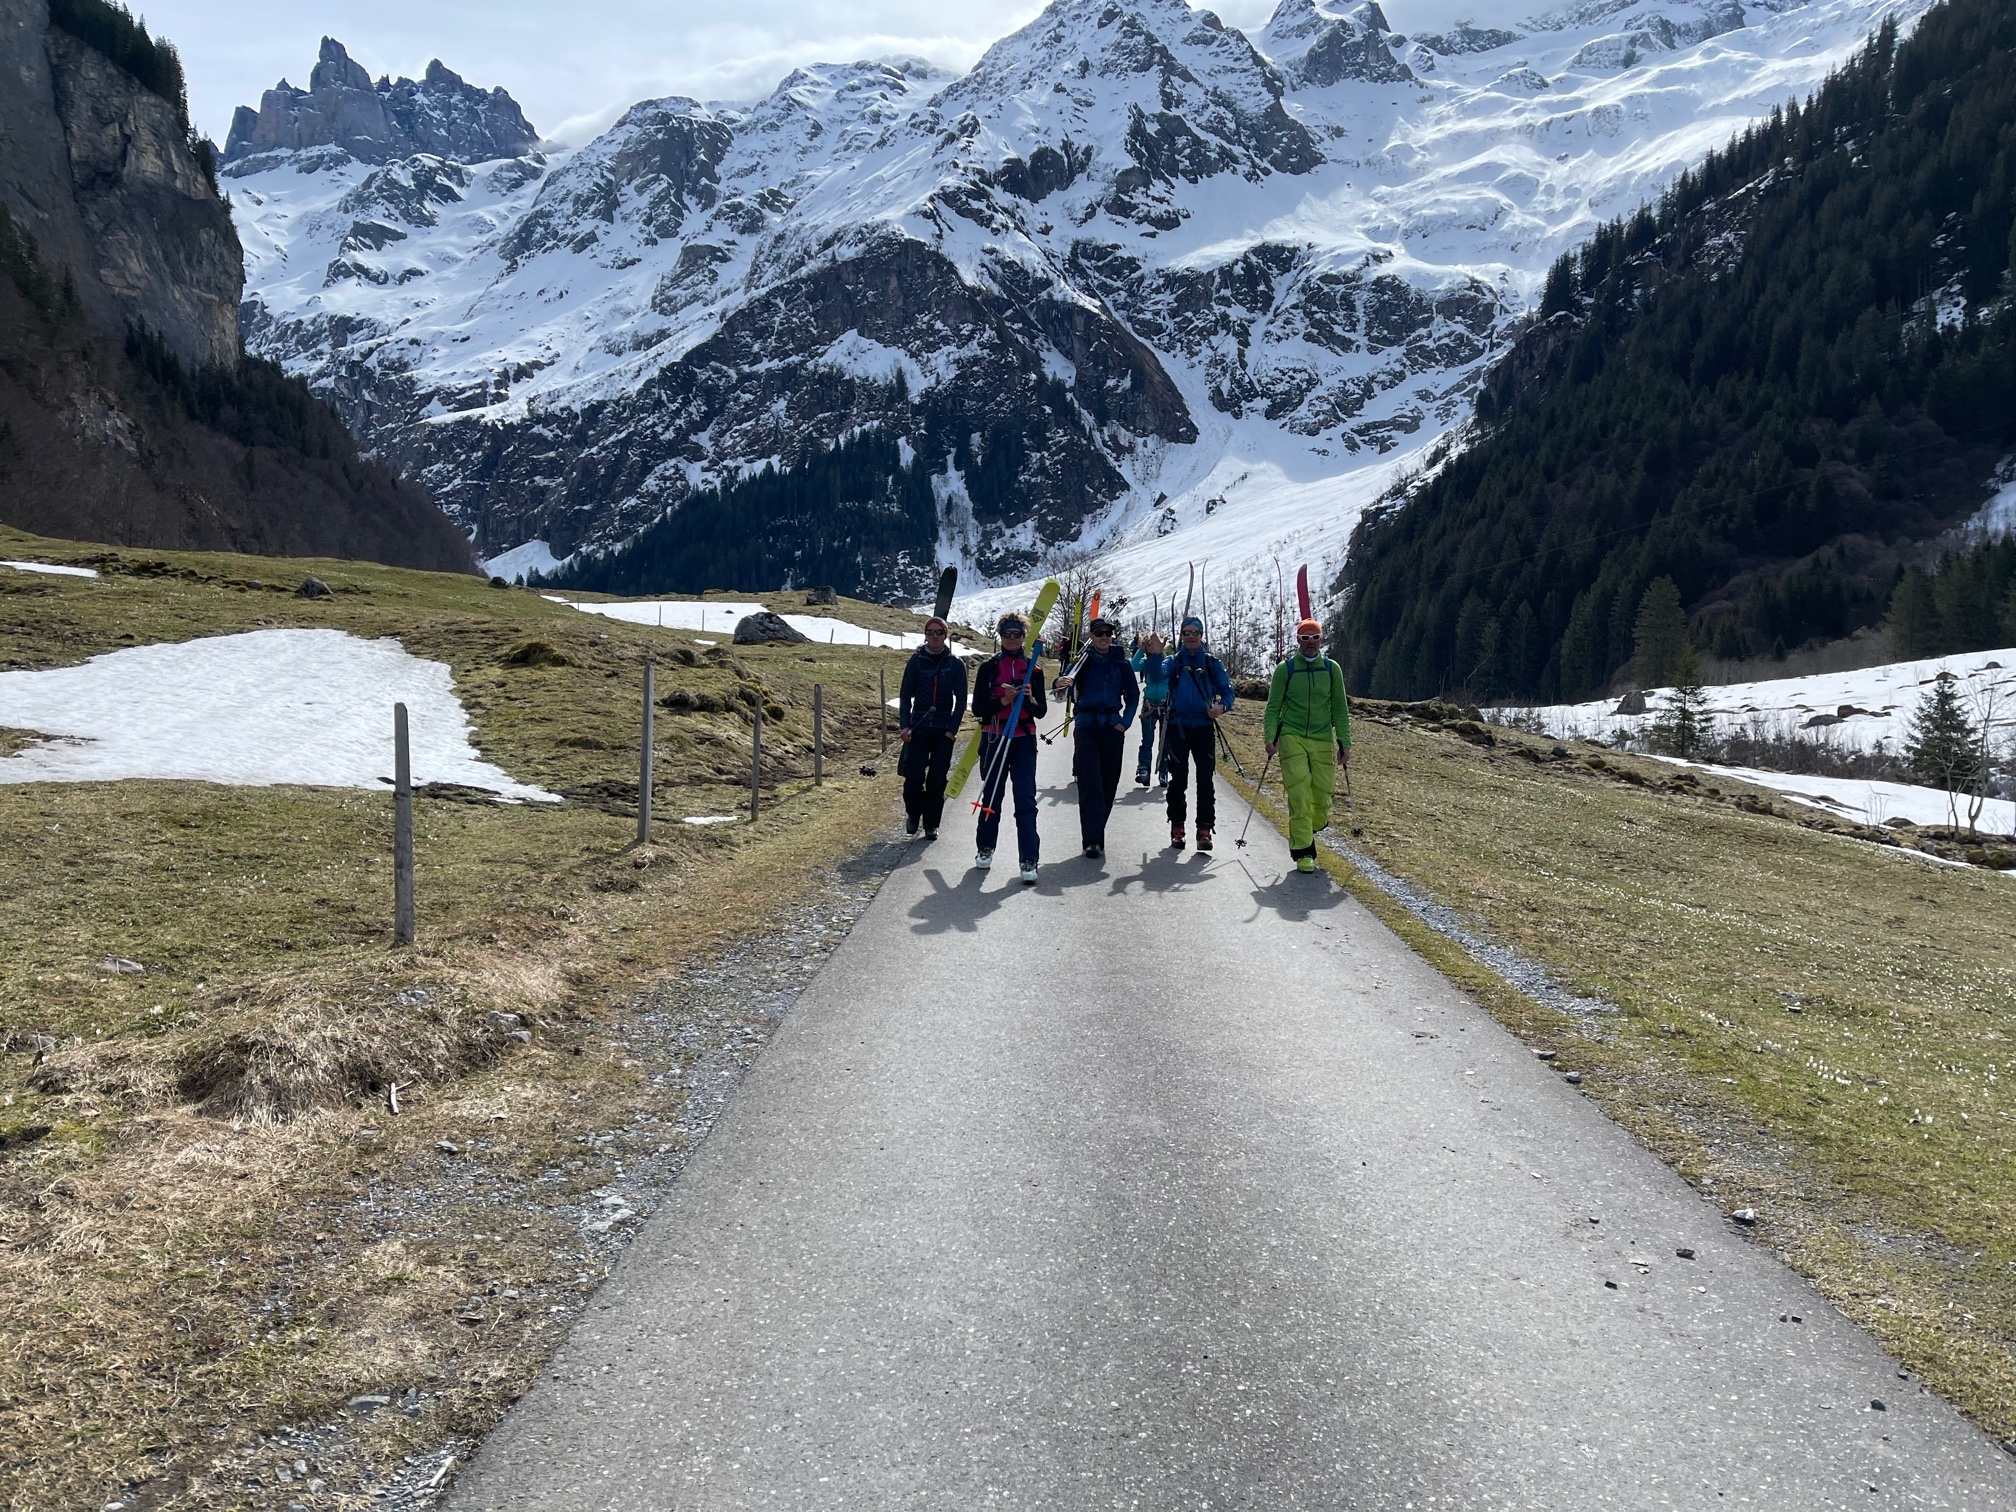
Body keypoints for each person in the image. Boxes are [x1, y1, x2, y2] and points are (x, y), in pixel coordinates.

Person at [1265, 618, 1352, 873]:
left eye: (1315, 637)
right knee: (1299, 793)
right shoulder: (1286, 669)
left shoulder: (1332, 669)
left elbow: (1340, 708)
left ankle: (1311, 826)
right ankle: (1304, 851)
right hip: (1291, 736)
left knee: (1323, 795)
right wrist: (1270, 737)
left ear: (1321, 639)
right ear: (1298, 640)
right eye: (1305, 638)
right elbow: (1273, 707)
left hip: (1322, 737)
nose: (1311, 642)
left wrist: (1345, 742)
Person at [970, 613, 1048, 883]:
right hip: (994, 737)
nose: (1012, 638)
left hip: (1024, 739)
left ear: (1024, 637)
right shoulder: (988, 667)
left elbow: (1041, 711)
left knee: (1025, 798)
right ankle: (985, 847)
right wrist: (1003, 701)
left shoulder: (1034, 669)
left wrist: (1028, 700)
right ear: (1000, 636)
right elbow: (978, 708)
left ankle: (1029, 859)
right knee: (992, 796)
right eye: (1007, 633)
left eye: (1017, 634)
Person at [1053, 616, 1139, 858]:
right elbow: (1061, 689)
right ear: (1091, 636)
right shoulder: (1082, 661)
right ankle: (1092, 840)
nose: (1104, 637)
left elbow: (1133, 696)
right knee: (1090, 784)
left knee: (1109, 784)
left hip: (1112, 727)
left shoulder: (1121, 663)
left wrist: (1124, 723)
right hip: (1086, 727)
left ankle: (1096, 833)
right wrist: (1059, 681)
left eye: (1107, 633)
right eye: (1099, 633)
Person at [1162, 616, 1234, 851]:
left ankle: (1204, 829)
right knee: (1178, 779)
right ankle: (1177, 827)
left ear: (1202, 636)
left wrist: (1221, 707)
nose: (1191, 636)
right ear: (1181, 636)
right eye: (1187, 632)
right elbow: (1158, 677)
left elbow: (1228, 692)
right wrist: (1154, 655)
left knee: (1205, 779)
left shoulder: (1213, 664)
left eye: (1195, 632)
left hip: (1203, 727)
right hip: (1178, 727)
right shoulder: (1173, 662)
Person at [897, 616, 967, 841]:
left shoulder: (955, 664)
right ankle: (913, 814)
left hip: (943, 729)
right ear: (925, 635)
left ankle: (931, 824)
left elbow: (961, 700)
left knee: (937, 780)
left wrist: (952, 730)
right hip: (918, 727)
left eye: (939, 632)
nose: (934, 636)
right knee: (913, 777)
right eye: (930, 632)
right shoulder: (916, 662)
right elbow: (905, 696)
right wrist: (905, 726)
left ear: (945, 635)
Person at [1131, 630, 1171, 786]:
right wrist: (1141, 649)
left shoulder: (1167, 662)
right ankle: (1144, 770)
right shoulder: (1145, 662)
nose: (1151, 647)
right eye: (1148, 645)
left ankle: (1163, 771)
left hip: (1165, 706)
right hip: (1149, 707)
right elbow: (1133, 666)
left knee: (1164, 741)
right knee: (1147, 740)